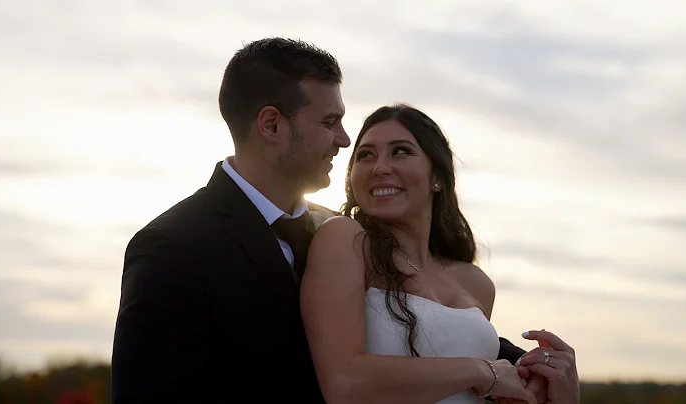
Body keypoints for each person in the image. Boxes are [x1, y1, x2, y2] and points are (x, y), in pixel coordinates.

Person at [110, 37, 543, 403]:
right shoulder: (173, 247)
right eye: (330, 122)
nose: (343, 139)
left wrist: (524, 364)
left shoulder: (341, 232)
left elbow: (425, 325)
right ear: (272, 125)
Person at [300, 104, 580, 403]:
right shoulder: (345, 239)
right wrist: (483, 372)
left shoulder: (476, 283)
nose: (380, 167)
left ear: (437, 176)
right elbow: (345, 382)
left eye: (400, 151)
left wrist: (546, 385)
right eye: (365, 155)